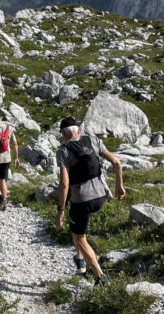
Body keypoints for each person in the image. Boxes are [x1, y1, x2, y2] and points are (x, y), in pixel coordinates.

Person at [54, 117, 125, 286]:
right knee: (76, 226)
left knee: (79, 237)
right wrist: (119, 186)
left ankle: (100, 277)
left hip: (82, 200)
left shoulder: (63, 151)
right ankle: (80, 262)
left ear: (63, 133)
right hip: (100, 196)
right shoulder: (93, 140)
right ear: (78, 130)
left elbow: (64, 183)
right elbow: (116, 162)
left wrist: (60, 210)